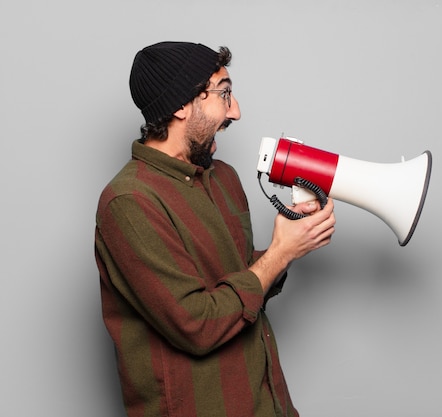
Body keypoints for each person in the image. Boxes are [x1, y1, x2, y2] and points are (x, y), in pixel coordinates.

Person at [94, 41, 336, 417]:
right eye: (224, 93)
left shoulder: (222, 177)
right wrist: (280, 253)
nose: (235, 111)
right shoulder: (129, 202)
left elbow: (236, 281)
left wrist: (291, 242)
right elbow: (198, 322)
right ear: (180, 104)